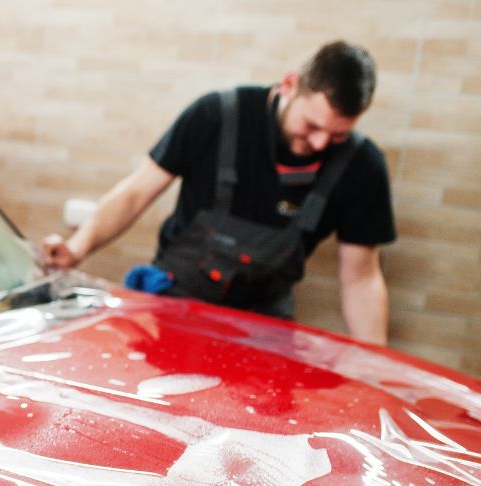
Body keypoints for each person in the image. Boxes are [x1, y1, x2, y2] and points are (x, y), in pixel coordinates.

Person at [42, 41, 395, 345]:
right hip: (175, 308)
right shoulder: (216, 116)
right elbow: (136, 193)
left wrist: (375, 362)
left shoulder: (361, 166)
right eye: (311, 126)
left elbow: (361, 278)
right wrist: (77, 247)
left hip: (264, 327)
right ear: (290, 84)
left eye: (337, 135)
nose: (319, 143)